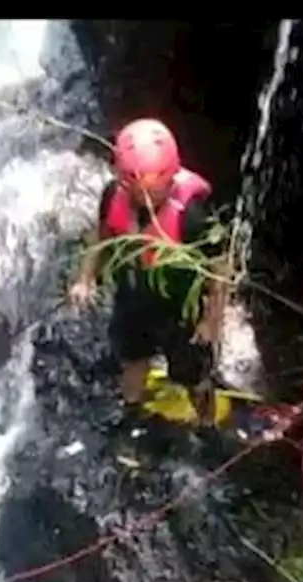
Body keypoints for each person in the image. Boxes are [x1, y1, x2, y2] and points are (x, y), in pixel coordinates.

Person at [68, 118, 228, 440]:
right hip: (134, 293)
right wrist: (85, 278)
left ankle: (207, 424)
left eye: (158, 188)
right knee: (132, 358)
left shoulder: (193, 215)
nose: (151, 198)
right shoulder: (113, 196)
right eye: (143, 191)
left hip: (180, 306)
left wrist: (211, 321)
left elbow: (219, 270)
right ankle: (131, 413)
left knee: (193, 372)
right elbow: (99, 239)